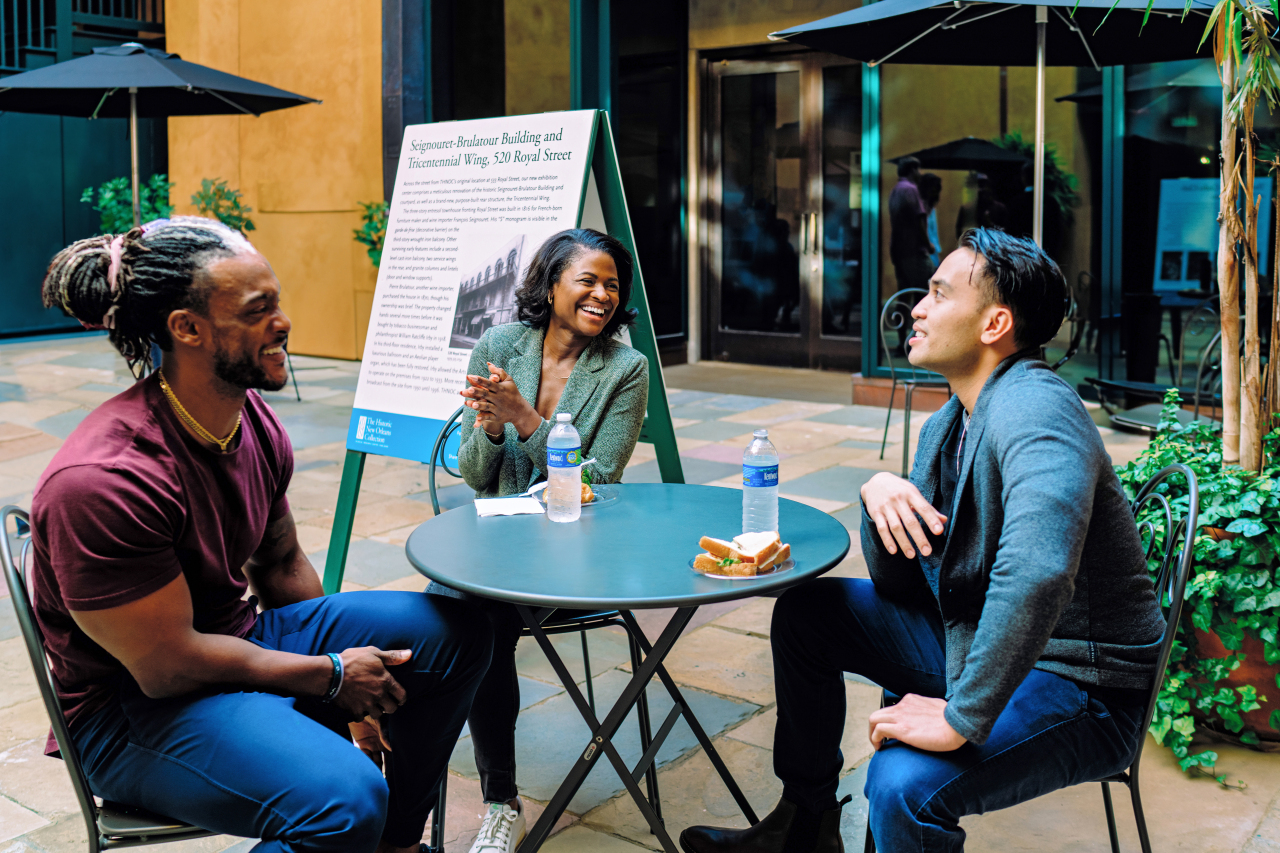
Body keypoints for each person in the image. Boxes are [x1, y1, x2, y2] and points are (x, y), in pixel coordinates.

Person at [679, 228, 1164, 853]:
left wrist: (961, 718)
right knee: (808, 614)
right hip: (975, 636)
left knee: (903, 784)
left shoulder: (1037, 410)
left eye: (938, 293)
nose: (916, 308)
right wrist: (879, 496)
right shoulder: (950, 422)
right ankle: (805, 828)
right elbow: (902, 584)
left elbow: (1039, 570)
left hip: (1079, 683)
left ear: (995, 324)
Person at [30, 218, 492, 853]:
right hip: (132, 710)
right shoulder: (105, 481)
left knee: (456, 632)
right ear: (186, 328)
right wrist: (327, 676)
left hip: (232, 642)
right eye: (258, 309)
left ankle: (398, 846)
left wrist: (339, 703)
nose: (283, 322)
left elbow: (279, 562)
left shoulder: (250, 421)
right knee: (346, 801)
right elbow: (165, 668)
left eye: (277, 301)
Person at [433, 227, 648, 853]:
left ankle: (499, 803)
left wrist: (524, 418)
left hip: (576, 554)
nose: (602, 295)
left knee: (480, 624)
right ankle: (436, 779)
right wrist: (493, 431)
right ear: (550, 284)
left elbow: (599, 482)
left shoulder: (625, 370)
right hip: (496, 539)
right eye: (587, 280)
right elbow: (474, 472)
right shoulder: (500, 345)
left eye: (612, 285)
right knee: (439, 616)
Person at [888, 156, 932, 291]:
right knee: (923, 291)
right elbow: (919, 221)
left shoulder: (895, 190)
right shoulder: (911, 189)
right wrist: (928, 245)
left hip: (899, 250)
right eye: (918, 170)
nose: (920, 173)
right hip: (913, 251)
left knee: (904, 292)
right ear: (912, 170)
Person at [918, 172, 943, 270]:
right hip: (922, 254)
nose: (935, 191)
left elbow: (934, 233)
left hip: (932, 254)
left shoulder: (932, 209)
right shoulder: (919, 207)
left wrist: (937, 255)